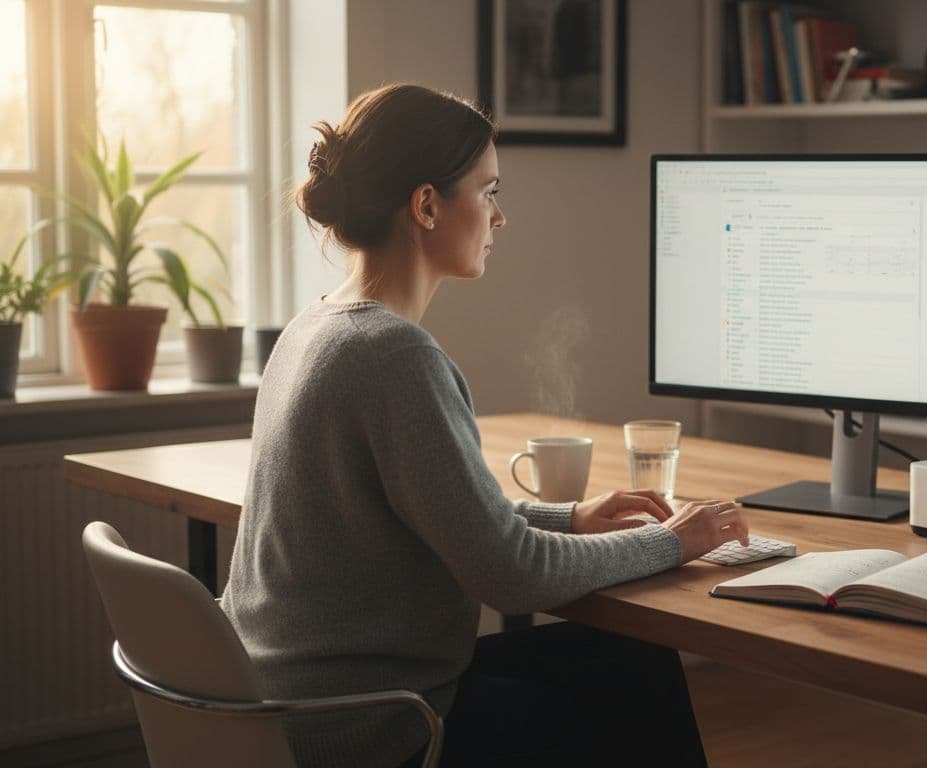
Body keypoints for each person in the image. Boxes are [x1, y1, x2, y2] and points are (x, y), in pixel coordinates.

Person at [219, 83, 749, 768]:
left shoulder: (313, 328)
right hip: (374, 727)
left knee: (620, 658)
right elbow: (514, 576)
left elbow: (437, 515)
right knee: (633, 688)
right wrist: (673, 542)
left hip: (290, 705)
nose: (501, 218)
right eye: (489, 191)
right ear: (428, 205)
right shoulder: (394, 356)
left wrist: (570, 518)